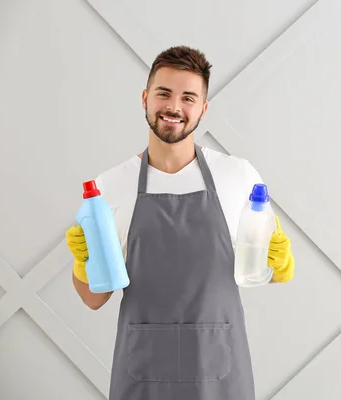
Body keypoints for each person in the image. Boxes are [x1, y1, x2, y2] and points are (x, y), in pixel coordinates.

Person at [64, 45, 295, 400]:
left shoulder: (237, 177)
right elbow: (94, 300)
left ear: (203, 108)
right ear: (145, 98)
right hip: (143, 377)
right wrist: (84, 264)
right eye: (164, 94)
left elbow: (266, 269)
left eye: (188, 97)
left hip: (219, 376)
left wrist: (279, 264)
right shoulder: (109, 188)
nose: (174, 107)